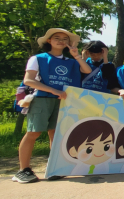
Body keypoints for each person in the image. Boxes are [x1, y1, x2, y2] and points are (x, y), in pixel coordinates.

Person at [14, 28, 92, 184]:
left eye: (65, 39)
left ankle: (54, 167)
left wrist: (76, 55)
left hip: (62, 101)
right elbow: (29, 80)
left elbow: (87, 70)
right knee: (33, 132)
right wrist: (53, 90)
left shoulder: (71, 61)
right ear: (49, 40)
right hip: (41, 99)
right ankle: (23, 169)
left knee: (55, 134)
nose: (61, 41)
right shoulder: (38, 58)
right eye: (57, 38)